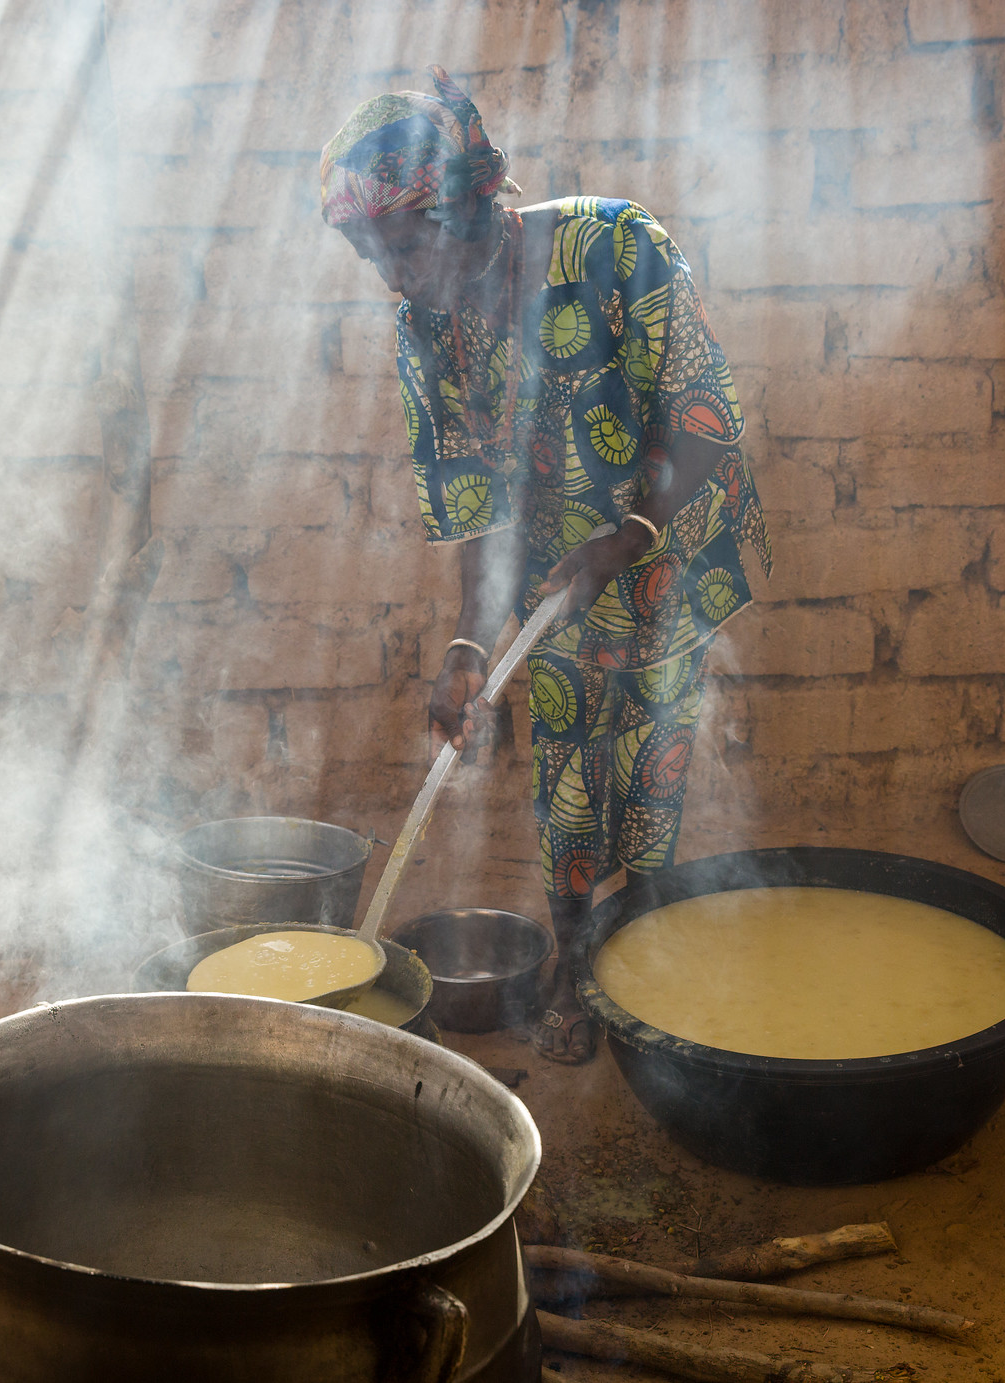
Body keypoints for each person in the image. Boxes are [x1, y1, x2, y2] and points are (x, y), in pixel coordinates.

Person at [320, 67, 771, 1063]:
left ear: (471, 204)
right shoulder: (424, 327)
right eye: (371, 254)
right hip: (552, 585)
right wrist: (467, 643)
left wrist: (625, 540)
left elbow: (704, 420)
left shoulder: (615, 246)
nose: (393, 276)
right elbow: (474, 500)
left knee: (647, 772)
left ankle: (640, 966)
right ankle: (574, 966)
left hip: (668, 542)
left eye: (403, 244)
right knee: (566, 781)